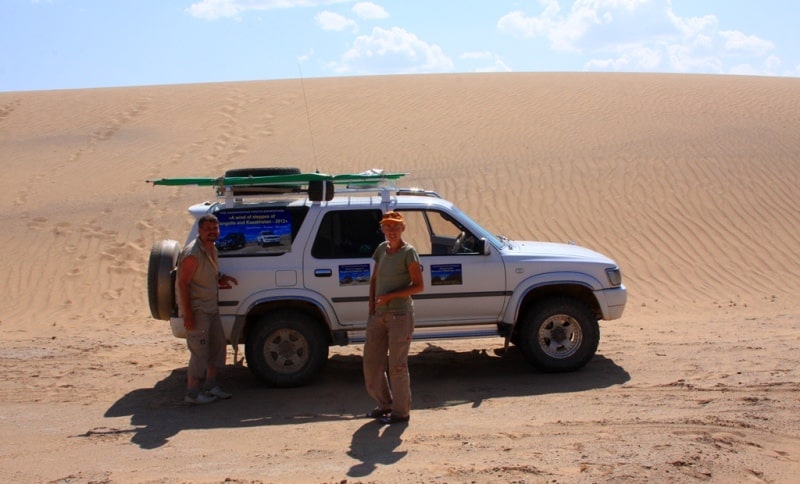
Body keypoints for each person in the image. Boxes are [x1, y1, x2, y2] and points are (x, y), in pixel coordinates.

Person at [363, 211, 424, 424]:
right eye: (387, 226)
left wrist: (390, 296)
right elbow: (374, 280)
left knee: (397, 366)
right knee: (372, 364)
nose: (391, 231)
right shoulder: (381, 249)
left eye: (395, 227)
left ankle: (401, 412)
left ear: (403, 228)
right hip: (378, 316)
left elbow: (419, 286)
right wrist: (372, 309)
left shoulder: (409, 252)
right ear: (382, 229)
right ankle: (385, 404)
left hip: (400, 315)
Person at [177, 213, 238, 404]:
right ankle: (192, 394)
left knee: (217, 350)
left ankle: (211, 387)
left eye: (215, 229)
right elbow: (183, 284)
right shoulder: (192, 254)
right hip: (198, 311)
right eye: (208, 229)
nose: (212, 232)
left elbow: (206, 273)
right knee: (199, 354)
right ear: (200, 231)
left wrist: (221, 278)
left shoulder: (212, 249)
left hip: (212, 309)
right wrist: (188, 314)